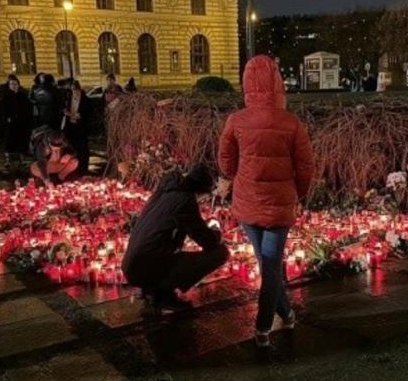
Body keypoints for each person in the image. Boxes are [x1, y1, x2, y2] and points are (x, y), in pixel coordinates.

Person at [218, 55, 314, 347]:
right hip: (279, 207)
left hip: (247, 204)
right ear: (278, 83)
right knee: (270, 265)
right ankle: (275, 319)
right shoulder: (292, 123)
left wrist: (237, 175)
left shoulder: (236, 121)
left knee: (268, 264)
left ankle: (269, 322)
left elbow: (225, 163)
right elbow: (306, 167)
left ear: (247, 84)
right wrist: (297, 193)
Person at [121, 164, 229, 313]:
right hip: (143, 268)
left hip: (131, 264)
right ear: (201, 189)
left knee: (165, 252)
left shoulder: (165, 192)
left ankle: (152, 288)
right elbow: (206, 240)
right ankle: (164, 294)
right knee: (221, 253)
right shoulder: (184, 200)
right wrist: (217, 233)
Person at [1, 75, 33, 169]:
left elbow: (28, 109)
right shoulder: (6, 96)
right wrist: (6, 119)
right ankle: (7, 160)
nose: (13, 86)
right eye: (11, 84)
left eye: (15, 84)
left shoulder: (23, 96)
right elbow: (3, 110)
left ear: (18, 85)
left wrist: (27, 120)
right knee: (8, 142)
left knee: (21, 142)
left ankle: (22, 160)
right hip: (10, 122)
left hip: (21, 122)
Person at [62, 80, 91, 174]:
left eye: (77, 92)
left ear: (80, 90)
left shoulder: (85, 100)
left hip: (81, 127)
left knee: (82, 147)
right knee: (71, 146)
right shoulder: (68, 99)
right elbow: (64, 109)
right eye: (73, 92)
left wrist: (80, 115)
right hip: (70, 126)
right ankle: (72, 167)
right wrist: (67, 113)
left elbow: (88, 113)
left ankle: (83, 167)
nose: (75, 94)